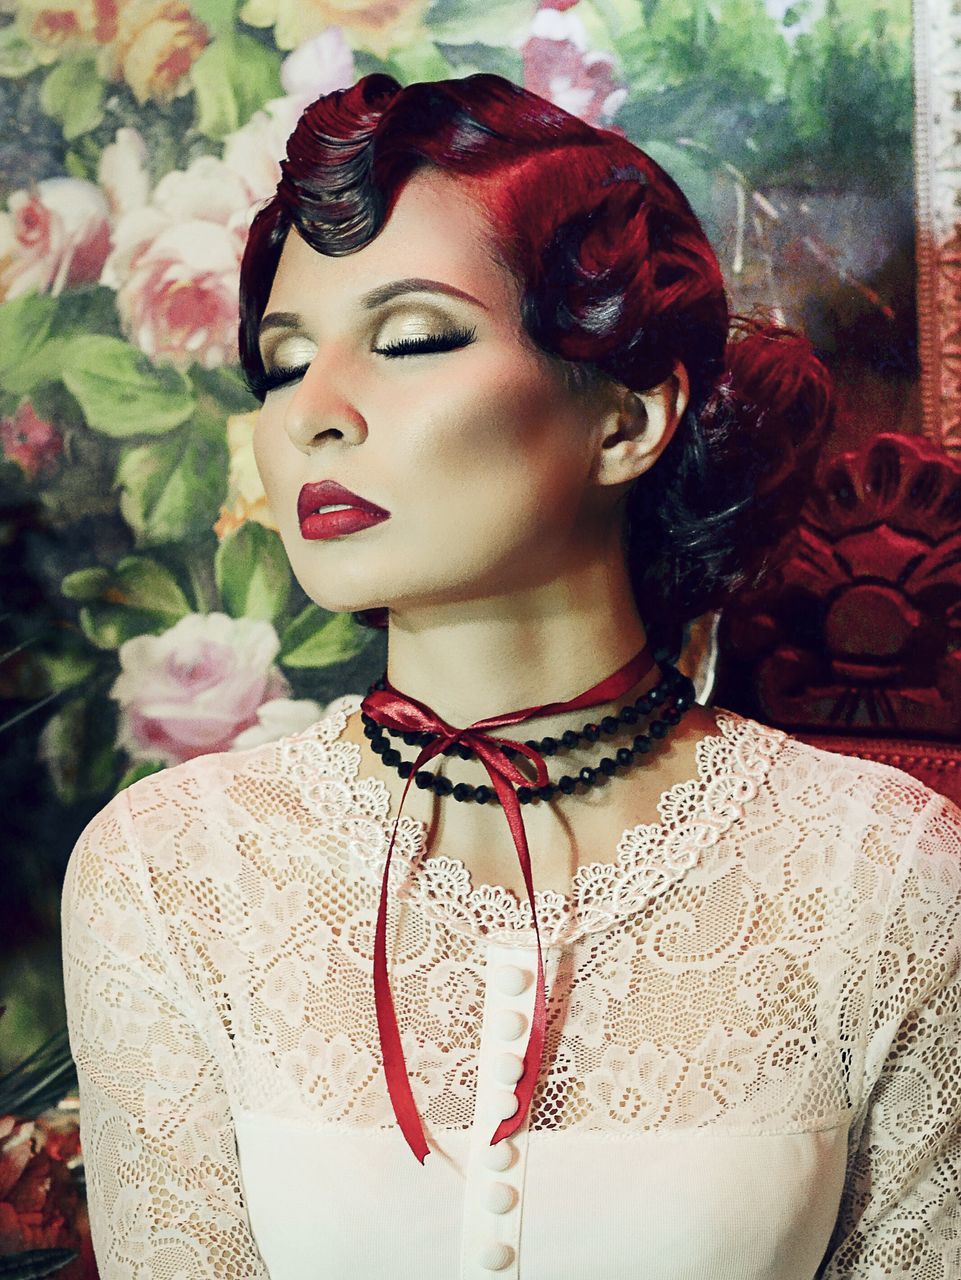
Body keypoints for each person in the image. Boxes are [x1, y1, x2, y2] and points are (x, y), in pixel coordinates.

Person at [62, 74, 961, 1280]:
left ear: (628, 417)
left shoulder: (880, 872)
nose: (311, 416)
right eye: (280, 365)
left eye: (413, 338)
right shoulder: (172, 872)